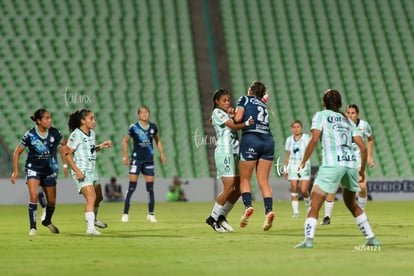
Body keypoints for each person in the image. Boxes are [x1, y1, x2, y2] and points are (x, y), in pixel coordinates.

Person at [294, 89, 380, 248]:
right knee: (351, 203)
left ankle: (308, 240)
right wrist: (360, 170)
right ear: (340, 104)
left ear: (323, 103)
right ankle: (371, 238)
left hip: (332, 164)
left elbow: (314, 140)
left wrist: (303, 161)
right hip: (350, 164)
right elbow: (362, 146)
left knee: (314, 202)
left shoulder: (321, 115)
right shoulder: (347, 120)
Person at [205, 89, 254, 233]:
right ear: (217, 102)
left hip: (234, 152)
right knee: (229, 186)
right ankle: (213, 218)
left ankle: (221, 216)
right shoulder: (217, 113)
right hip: (224, 152)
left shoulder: (225, 114)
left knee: (238, 188)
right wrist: (246, 123)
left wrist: (233, 115)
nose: (227, 103)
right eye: (224, 100)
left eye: (228, 100)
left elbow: (233, 121)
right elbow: (232, 126)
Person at [10, 109, 66, 235]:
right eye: (46, 118)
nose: (50, 120)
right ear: (39, 121)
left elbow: (65, 145)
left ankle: (47, 221)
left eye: (50, 117)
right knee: (34, 196)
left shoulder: (55, 133)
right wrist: (15, 172)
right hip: (33, 168)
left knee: (51, 202)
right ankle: (33, 227)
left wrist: (66, 158)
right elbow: (17, 153)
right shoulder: (30, 135)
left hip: (48, 170)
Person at [320, 104, 375, 225]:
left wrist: (370, 157)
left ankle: (361, 213)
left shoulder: (364, 125)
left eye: (353, 113)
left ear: (357, 114)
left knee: (362, 187)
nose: (350, 115)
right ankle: (327, 216)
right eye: (348, 112)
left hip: (358, 159)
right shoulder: (340, 124)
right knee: (333, 187)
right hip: (343, 158)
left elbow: (370, 139)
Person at [234, 81, 275, 231]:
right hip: (268, 141)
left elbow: (238, 119)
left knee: (244, 178)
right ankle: (269, 210)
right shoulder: (264, 105)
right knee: (263, 180)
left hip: (251, 138)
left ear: (250, 90)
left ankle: (247, 206)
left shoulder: (244, 99)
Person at [65, 109, 112, 235]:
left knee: (99, 197)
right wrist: (77, 171)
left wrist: (101, 146)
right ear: (83, 121)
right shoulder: (76, 134)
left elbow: (89, 150)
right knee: (91, 197)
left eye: (94, 118)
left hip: (92, 170)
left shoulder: (92, 134)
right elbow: (67, 154)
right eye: (91, 118)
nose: (94, 121)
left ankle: (94, 219)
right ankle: (90, 229)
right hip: (81, 171)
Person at [121, 106, 166, 223]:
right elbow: (125, 141)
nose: (145, 114)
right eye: (142, 112)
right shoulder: (134, 127)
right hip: (136, 160)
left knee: (150, 188)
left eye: (146, 112)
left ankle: (151, 214)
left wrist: (162, 153)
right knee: (132, 187)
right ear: (138, 115)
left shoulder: (153, 127)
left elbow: (158, 140)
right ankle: (125, 213)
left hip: (149, 161)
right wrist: (125, 155)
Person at [283, 120, 311, 218]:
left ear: (301, 127)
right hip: (293, 166)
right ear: (292, 129)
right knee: (294, 188)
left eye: (298, 127)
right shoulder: (289, 140)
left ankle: (308, 203)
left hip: (304, 166)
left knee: (303, 190)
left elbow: (310, 150)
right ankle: (296, 212)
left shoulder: (307, 138)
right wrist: (285, 169)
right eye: (294, 127)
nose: (296, 129)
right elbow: (288, 155)